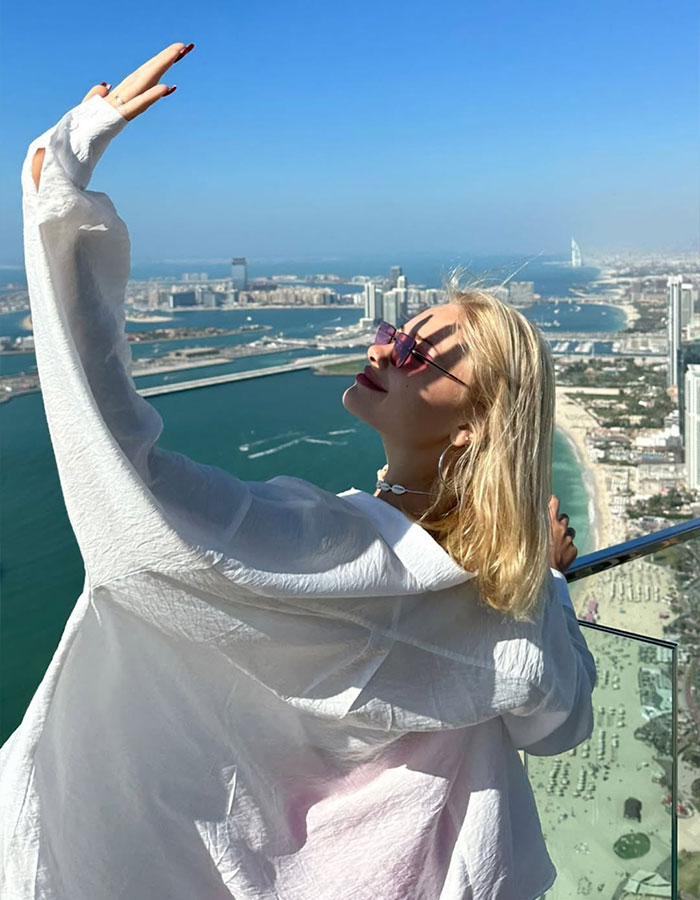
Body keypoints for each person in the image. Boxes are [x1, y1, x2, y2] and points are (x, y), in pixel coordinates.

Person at [0, 42, 596, 900]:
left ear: (473, 428)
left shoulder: (342, 550)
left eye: (420, 350)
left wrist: (58, 195)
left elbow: (131, 501)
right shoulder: (505, 598)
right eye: (396, 329)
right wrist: (547, 578)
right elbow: (559, 721)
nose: (384, 345)